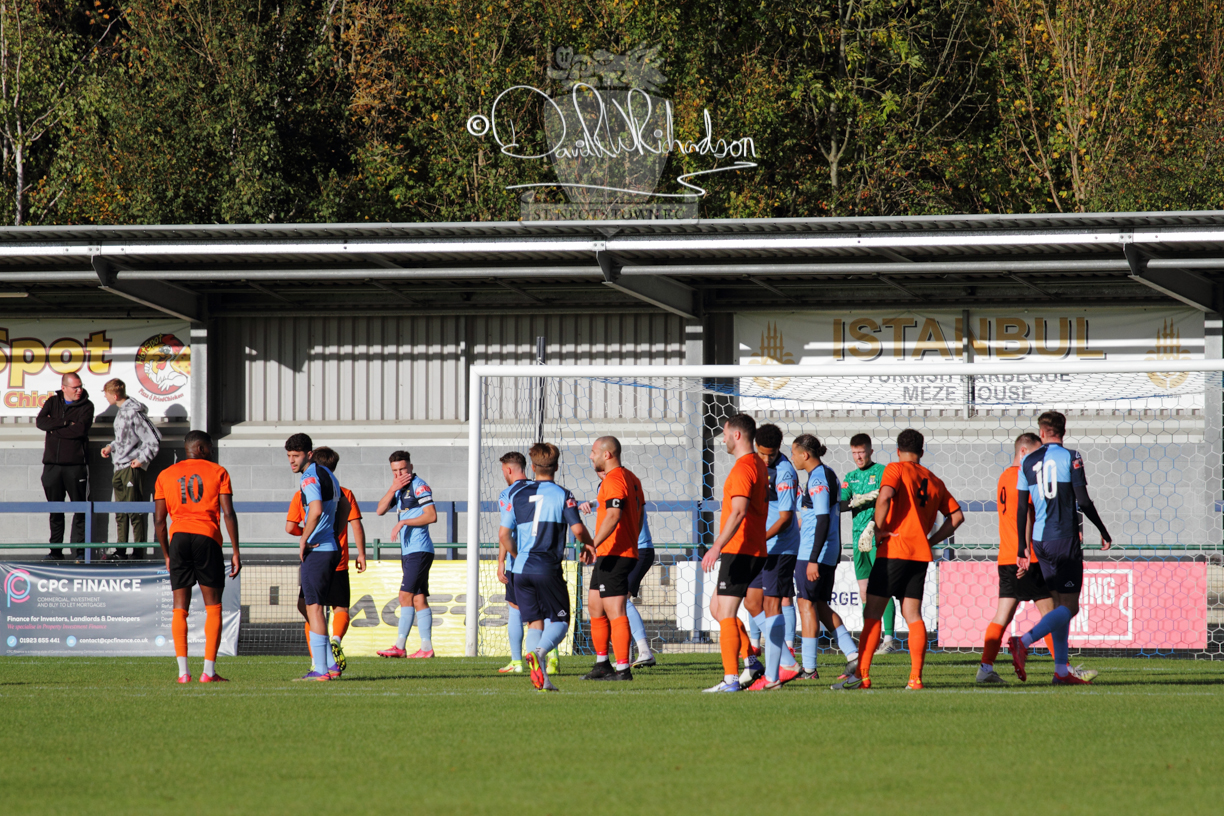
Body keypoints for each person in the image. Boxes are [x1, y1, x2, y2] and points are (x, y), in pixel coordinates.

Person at [833, 429, 963, 691]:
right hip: (919, 556)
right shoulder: (934, 480)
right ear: (922, 452)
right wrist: (930, 541)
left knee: (872, 612)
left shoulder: (895, 468)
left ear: (897, 450)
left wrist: (878, 529)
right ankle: (915, 679)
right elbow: (957, 517)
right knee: (913, 615)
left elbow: (885, 496)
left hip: (893, 550)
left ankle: (862, 675)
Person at [1009, 411, 1112, 685]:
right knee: (1071, 606)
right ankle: (1024, 642)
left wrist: (1021, 547)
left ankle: (1061, 671)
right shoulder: (1071, 457)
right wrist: (1102, 530)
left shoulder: (1027, 461)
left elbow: (1022, 508)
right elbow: (1083, 501)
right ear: (1063, 432)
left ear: (1042, 433)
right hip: (1064, 539)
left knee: (1057, 606)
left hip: (1039, 542)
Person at [153, 430, 240, 683]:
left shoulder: (165, 474)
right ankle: (208, 672)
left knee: (179, 607)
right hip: (207, 538)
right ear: (201, 448)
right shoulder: (218, 472)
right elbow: (228, 513)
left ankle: (183, 673)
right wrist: (235, 551)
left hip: (179, 538)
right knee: (214, 606)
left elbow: (159, 521)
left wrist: (167, 554)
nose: (212, 451)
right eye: (210, 447)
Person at [510, 443, 594, 692]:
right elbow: (577, 529)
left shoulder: (517, 494)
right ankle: (539, 652)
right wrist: (589, 544)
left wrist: (518, 557)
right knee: (561, 621)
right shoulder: (563, 495)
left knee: (534, 623)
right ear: (557, 467)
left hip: (520, 570)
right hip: (546, 567)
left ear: (532, 467)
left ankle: (542, 678)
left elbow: (504, 534)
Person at [976, 433, 1056, 685]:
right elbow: (1027, 515)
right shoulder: (1024, 477)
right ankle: (1063, 668)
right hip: (1027, 558)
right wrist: (1026, 551)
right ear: (1023, 452)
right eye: (1036, 454)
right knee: (1051, 614)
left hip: (1007, 557)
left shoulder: (1004, 476)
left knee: (1002, 616)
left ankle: (985, 669)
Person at [700, 413, 769, 693]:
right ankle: (751, 662)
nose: (723, 439)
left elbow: (739, 511)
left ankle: (730, 679)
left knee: (726, 612)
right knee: (717, 608)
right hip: (750, 548)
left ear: (737, 435)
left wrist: (717, 546)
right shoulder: (758, 464)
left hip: (740, 549)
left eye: (726, 433)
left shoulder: (743, 468)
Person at [287, 447, 366, 674]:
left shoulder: (308, 485)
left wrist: (305, 537)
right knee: (335, 607)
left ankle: (321, 664)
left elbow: (292, 525)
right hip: (337, 554)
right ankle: (334, 643)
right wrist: (360, 552)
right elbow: (353, 519)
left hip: (319, 551)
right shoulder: (341, 488)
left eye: (295, 456)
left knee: (313, 609)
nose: (292, 460)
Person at [791, 433, 859, 681]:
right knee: (818, 604)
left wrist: (812, 559)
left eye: (794, 453)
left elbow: (822, 519)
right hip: (824, 551)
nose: (792, 458)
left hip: (814, 552)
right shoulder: (826, 473)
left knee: (806, 604)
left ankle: (809, 668)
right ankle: (853, 655)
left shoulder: (819, 478)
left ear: (805, 454)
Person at [579, 436, 644, 682]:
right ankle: (602, 664)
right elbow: (640, 513)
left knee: (615, 610)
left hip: (616, 553)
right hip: (610, 552)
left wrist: (592, 543)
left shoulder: (615, 479)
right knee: (595, 605)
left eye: (594, 451)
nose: (591, 456)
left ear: (607, 455)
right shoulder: (632, 478)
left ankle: (623, 669)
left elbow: (614, 515)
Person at [742, 423, 800, 690]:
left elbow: (786, 518)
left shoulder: (785, 471)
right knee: (752, 602)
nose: (766, 459)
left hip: (779, 548)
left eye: (772, 454)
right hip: (761, 546)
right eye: (762, 453)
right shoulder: (753, 464)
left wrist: (759, 538)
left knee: (773, 606)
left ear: (779, 449)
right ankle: (788, 662)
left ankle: (773, 677)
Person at [579, 479, 658, 668]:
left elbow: (615, 511)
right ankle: (627, 655)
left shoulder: (617, 483)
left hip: (636, 550)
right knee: (615, 602)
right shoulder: (618, 484)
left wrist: (593, 544)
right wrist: (591, 503)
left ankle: (644, 651)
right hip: (633, 550)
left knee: (620, 601)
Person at [839, 434, 898, 654]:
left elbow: (889, 499)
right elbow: (840, 504)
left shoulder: (882, 472)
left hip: (876, 536)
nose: (858, 457)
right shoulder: (851, 476)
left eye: (861, 452)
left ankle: (889, 640)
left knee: (882, 588)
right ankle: (871, 639)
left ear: (870, 451)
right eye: (854, 453)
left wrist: (874, 523)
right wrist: (857, 501)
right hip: (858, 539)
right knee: (864, 591)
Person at [376, 451, 438, 659]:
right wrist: (392, 488)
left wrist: (403, 521)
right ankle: (426, 648)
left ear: (411, 467)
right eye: (395, 471)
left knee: (405, 596)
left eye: (403, 469)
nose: (399, 474)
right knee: (419, 598)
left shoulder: (419, 486)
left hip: (419, 550)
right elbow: (380, 510)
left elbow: (431, 515)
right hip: (411, 551)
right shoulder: (399, 489)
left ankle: (400, 646)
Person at [100, 378, 160, 560]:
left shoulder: (134, 412)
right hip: (119, 467)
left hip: (130, 468)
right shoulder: (121, 413)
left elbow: (154, 438)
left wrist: (142, 459)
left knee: (134, 510)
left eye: (107, 394)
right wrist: (111, 447)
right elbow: (124, 439)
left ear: (115, 395)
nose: (105, 398)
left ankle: (138, 551)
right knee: (121, 512)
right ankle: (121, 550)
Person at [37, 373, 94, 560]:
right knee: (55, 510)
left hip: (75, 466)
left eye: (80, 386)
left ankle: (80, 551)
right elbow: (40, 422)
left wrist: (54, 430)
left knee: (80, 509)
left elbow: (80, 430)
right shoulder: (52, 402)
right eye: (75, 387)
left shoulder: (87, 406)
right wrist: (64, 422)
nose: (79, 390)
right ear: (64, 388)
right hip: (52, 466)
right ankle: (56, 551)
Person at [496, 451, 533, 674]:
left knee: (516, 609)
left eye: (503, 471)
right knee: (544, 612)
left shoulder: (508, 494)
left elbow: (505, 531)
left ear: (509, 469)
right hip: (543, 559)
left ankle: (517, 662)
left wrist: (502, 561)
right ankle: (551, 659)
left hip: (518, 561)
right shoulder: (540, 488)